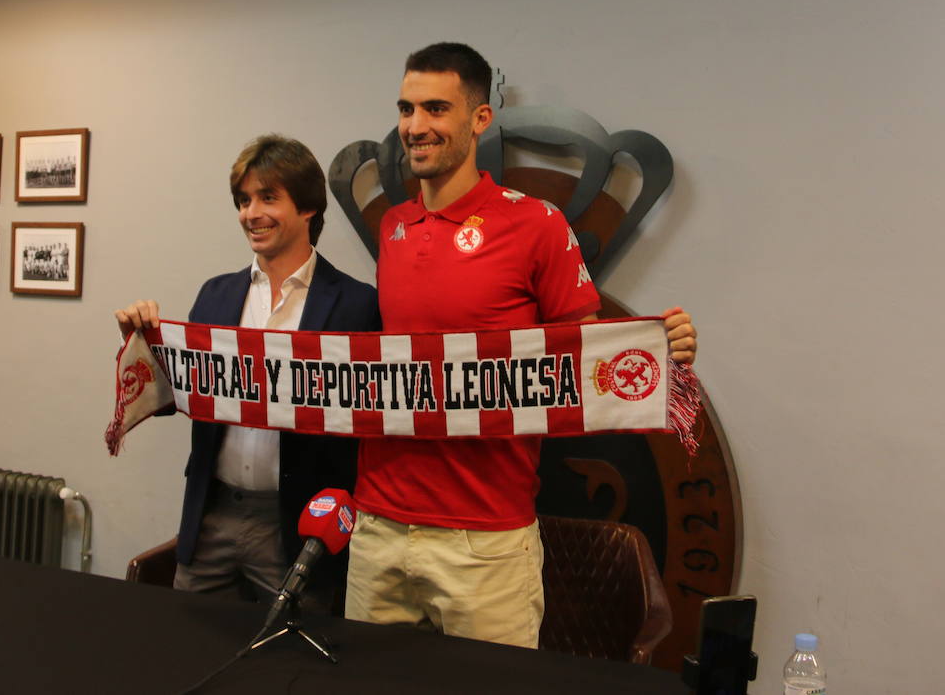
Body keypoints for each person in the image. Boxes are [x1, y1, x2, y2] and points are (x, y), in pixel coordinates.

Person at [345, 42, 698, 648]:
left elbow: (586, 358)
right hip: (379, 527)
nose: (416, 126)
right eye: (406, 109)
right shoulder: (393, 226)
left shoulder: (536, 224)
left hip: (485, 541)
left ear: (480, 119)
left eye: (435, 108)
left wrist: (657, 351)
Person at [116, 135, 380, 609]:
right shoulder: (215, 296)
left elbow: (373, 416)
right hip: (212, 513)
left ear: (308, 208)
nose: (250, 213)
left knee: (291, 664)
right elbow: (175, 397)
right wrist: (141, 345)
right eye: (243, 200)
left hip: (299, 526)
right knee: (190, 648)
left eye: (268, 197)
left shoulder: (357, 304)